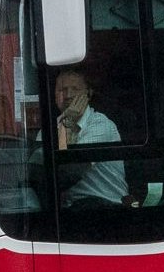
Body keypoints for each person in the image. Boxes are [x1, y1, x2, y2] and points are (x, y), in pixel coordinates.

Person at [54, 68, 126, 205]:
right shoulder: (49, 129)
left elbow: (70, 172)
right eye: (62, 90)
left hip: (106, 205)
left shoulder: (101, 125)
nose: (68, 95)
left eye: (75, 89)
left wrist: (69, 123)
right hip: (71, 207)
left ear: (88, 94)